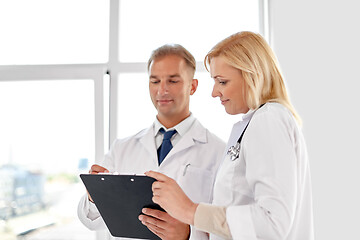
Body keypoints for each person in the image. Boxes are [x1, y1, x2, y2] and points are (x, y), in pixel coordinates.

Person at [146, 31, 314, 240]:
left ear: (252, 77)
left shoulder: (269, 120)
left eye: (222, 82)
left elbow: (273, 222)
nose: (214, 92)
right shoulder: (255, 124)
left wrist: (190, 211)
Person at [77, 44, 226, 240]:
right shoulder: (122, 148)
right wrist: (94, 196)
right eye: (155, 81)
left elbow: (229, 224)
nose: (162, 90)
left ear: (193, 86)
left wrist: (189, 234)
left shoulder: (219, 151)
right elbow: (90, 221)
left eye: (172, 80)